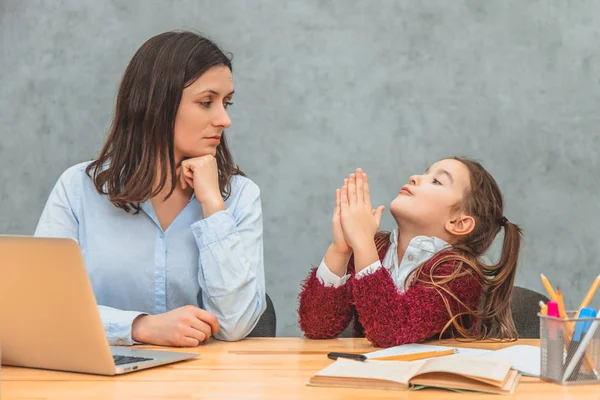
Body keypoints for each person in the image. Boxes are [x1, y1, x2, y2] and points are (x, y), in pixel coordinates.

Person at [35, 31, 265, 346]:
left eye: (226, 103)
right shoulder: (78, 189)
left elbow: (235, 324)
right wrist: (138, 327)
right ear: (157, 103)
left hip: (201, 386)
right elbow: (43, 306)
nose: (224, 120)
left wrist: (213, 206)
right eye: (206, 102)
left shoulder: (239, 196)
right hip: (98, 384)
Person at [298, 158, 523, 347]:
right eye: (425, 173)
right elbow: (317, 326)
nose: (415, 177)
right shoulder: (375, 249)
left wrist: (363, 244)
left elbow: (390, 332)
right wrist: (340, 250)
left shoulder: (459, 273)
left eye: (436, 181)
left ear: (458, 223)